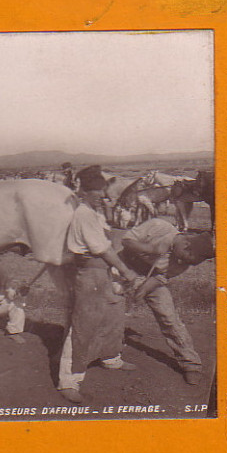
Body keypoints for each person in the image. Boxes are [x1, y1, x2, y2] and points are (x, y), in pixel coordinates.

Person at [57, 165, 143, 404]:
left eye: (101, 190)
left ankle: (110, 357)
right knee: (83, 325)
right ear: (82, 191)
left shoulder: (96, 213)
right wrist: (126, 271)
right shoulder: (83, 213)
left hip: (105, 272)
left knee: (113, 316)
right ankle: (69, 380)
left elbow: (109, 240)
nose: (100, 195)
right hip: (90, 274)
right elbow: (101, 248)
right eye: (95, 191)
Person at [119, 218, 215, 385]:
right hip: (122, 266)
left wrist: (143, 289)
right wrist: (150, 249)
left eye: (187, 263)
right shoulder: (159, 226)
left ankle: (191, 363)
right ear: (186, 244)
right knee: (107, 310)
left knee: (169, 317)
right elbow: (126, 240)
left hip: (149, 278)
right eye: (184, 258)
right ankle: (104, 354)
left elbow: (161, 277)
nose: (182, 263)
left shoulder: (184, 263)